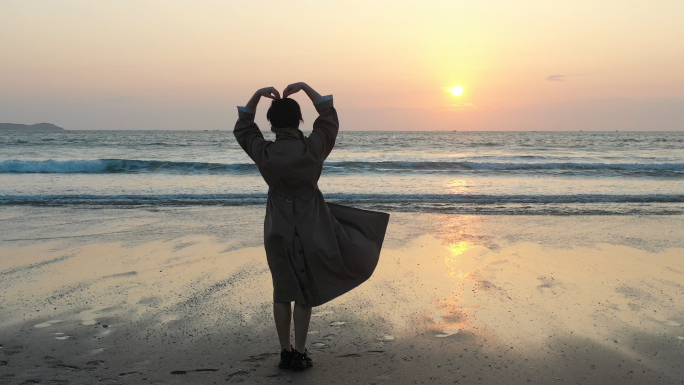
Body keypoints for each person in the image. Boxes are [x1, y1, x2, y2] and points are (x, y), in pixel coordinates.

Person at [234, 82, 390, 371]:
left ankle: (285, 352)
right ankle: (301, 352)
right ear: (299, 121)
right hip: (311, 224)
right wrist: (305, 88)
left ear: (271, 124)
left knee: (282, 290)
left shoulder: (264, 153)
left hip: (277, 226)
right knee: (305, 290)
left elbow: (244, 127)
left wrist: (256, 95)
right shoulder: (312, 149)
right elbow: (329, 116)